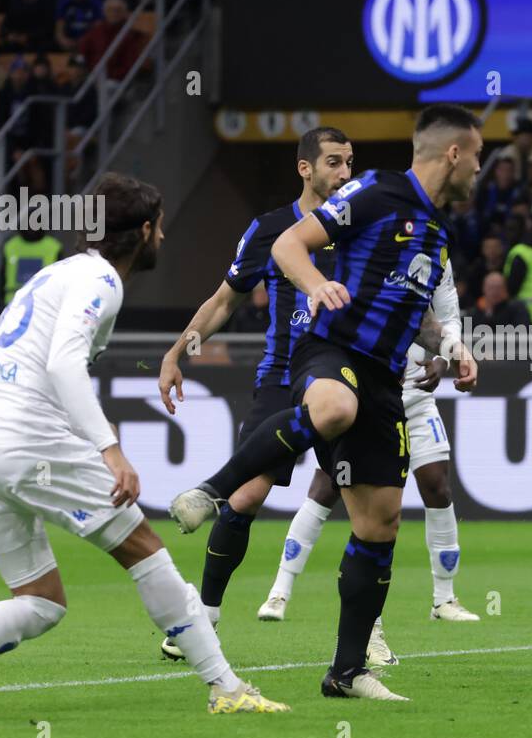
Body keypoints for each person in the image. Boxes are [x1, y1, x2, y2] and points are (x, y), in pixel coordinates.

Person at [0, 173, 288, 721]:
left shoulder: (58, 274)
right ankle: (226, 687)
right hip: (24, 439)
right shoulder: (102, 280)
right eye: (162, 229)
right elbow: (61, 365)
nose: (165, 240)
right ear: (146, 230)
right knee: (145, 549)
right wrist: (111, 450)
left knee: (41, 602)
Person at [168, 106, 482, 702]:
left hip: (388, 381)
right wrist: (317, 285)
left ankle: (345, 672)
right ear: (454, 154)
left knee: (379, 523)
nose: (480, 169)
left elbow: (416, 315)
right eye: (479, 156)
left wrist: (453, 347)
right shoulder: (375, 190)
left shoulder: (436, 228)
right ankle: (212, 489)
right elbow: (290, 243)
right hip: (329, 352)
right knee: (334, 409)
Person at [256, 257, 481, 625]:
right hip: (365, 387)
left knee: (437, 485)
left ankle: (445, 599)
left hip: (415, 390)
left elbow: (448, 316)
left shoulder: (436, 251)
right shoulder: (372, 239)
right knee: (327, 484)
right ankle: (280, 591)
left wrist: (445, 355)